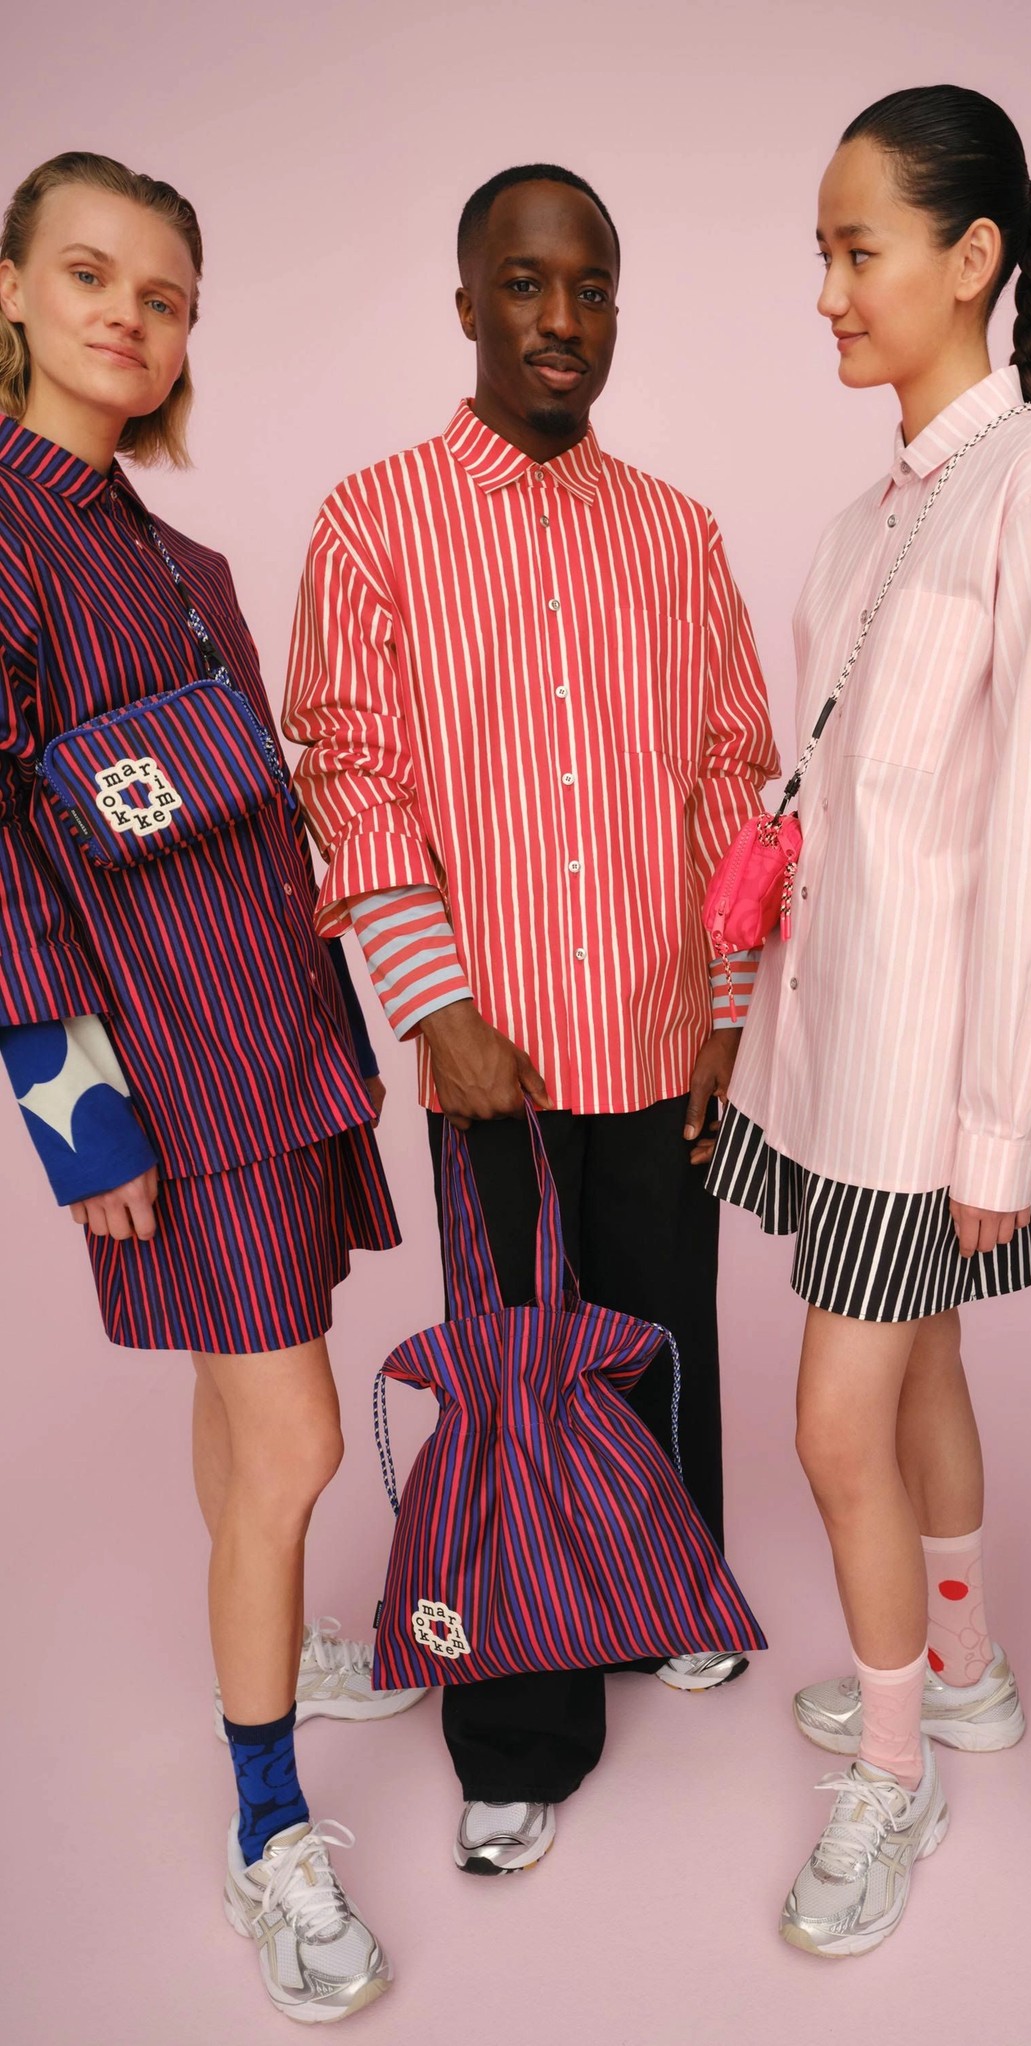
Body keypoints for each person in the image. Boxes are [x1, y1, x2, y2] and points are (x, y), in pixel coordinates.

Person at [284, 161, 778, 1879]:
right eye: (523, 284)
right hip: (490, 1039)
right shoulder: (376, 515)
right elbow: (347, 758)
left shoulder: (678, 529)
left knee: (658, 1329)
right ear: (470, 302)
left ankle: (656, 1591)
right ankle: (519, 1724)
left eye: (590, 291)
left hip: (654, 1019)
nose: (558, 320)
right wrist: (431, 998)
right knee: (515, 1365)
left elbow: (734, 770)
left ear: (616, 311)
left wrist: (725, 1002)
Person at [0, 153, 418, 2025]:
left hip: (284, 1045)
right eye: (88, 273)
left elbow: (235, 810)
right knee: (305, 1445)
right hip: (161, 1079)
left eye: (162, 296)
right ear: (11, 285)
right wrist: (74, 1119)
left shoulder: (185, 563)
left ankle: (270, 1649)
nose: (126, 315)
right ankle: (269, 1830)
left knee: (254, 1430)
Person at [708, 86, 1031, 1956]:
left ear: (972, 260)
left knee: (835, 1426)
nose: (827, 291)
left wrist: (996, 1125)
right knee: (927, 1375)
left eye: (856, 249)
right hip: (835, 1053)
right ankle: (955, 1674)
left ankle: (890, 1778)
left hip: (923, 1086)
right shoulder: (880, 508)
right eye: (821, 251)